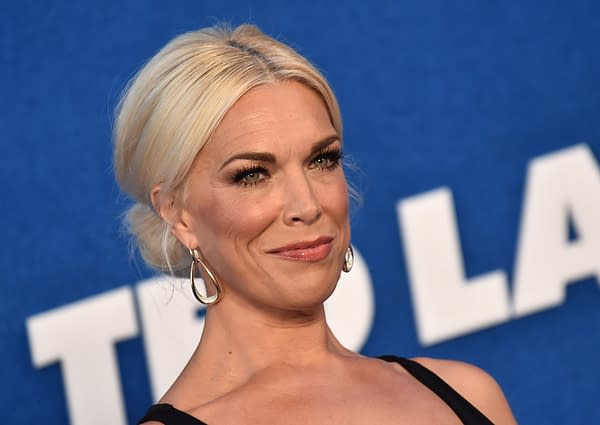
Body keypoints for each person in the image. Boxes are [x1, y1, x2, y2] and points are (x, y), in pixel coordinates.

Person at [113, 23, 517, 425]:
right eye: (253, 174)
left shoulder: (468, 394)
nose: (306, 205)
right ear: (177, 213)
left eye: (321, 161)